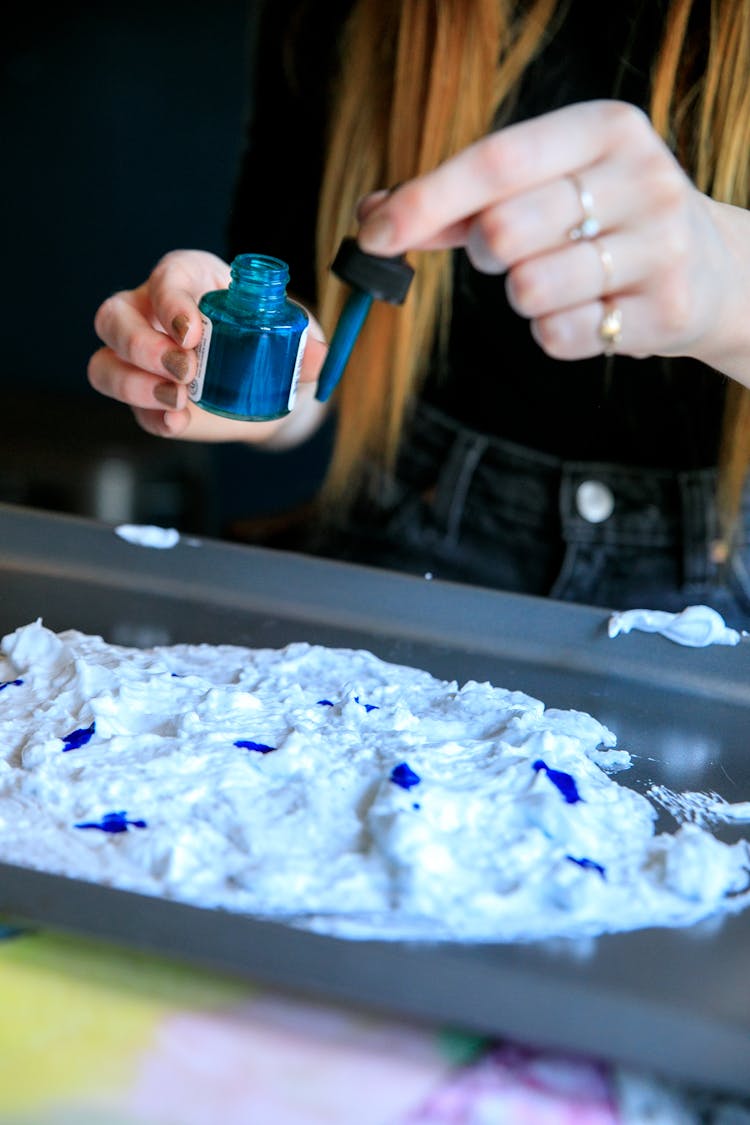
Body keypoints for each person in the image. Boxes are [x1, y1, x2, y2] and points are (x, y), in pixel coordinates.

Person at [88, 0, 750, 627]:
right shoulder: (364, 18)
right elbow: (315, 349)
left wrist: (725, 286)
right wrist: (229, 373)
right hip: (407, 537)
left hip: (726, 576)